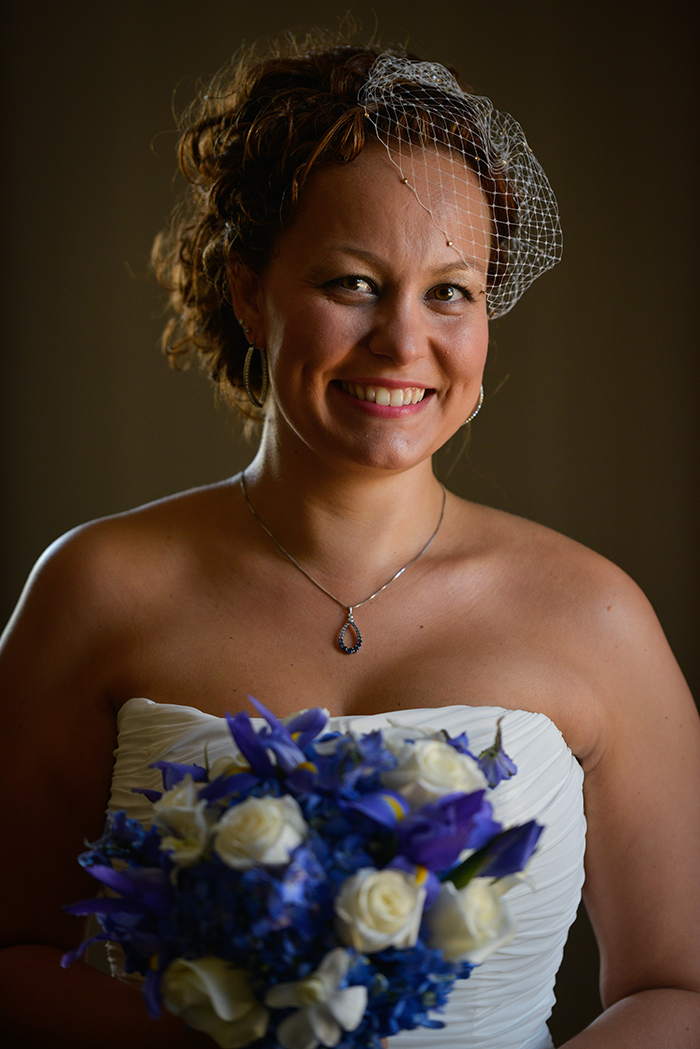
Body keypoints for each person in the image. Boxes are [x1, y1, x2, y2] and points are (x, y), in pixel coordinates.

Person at [1, 34, 698, 1049]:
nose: (404, 342)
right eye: (353, 282)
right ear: (250, 293)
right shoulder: (97, 587)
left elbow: (679, 984)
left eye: (449, 290)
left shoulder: (594, 613)